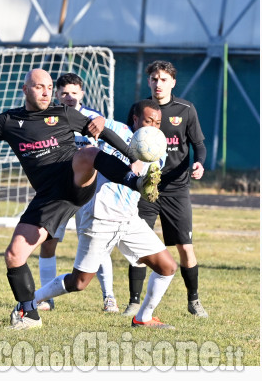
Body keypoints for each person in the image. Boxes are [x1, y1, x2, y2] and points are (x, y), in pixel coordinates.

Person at [0, 68, 161, 330]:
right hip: (49, 197)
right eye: (39, 87)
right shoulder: (9, 121)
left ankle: (136, 183)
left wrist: (133, 156)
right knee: (14, 255)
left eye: (49, 87)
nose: (46, 92)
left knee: (87, 153)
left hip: (76, 183)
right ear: (26, 90)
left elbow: (103, 133)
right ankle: (29, 314)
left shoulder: (65, 113)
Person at [34, 99, 178, 328]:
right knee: (79, 282)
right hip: (99, 218)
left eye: (158, 122)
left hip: (129, 220)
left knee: (167, 267)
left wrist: (145, 173)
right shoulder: (119, 129)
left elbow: (149, 171)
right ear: (135, 119)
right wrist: (99, 121)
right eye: (148, 120)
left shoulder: (157, 147)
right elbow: (97, 123)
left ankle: (143, 318)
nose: (153, 126)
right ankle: (30, 302)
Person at [121, 60, 208, 318]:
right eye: (154, 79)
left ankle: (194, 300)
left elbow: (199, 145)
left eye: (163, 79)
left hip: (176, 190)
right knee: (140, 246)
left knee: (185, 247)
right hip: (146, 188)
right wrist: (132, 162)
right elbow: (128, 141)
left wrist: (199, 163)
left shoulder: (186, 109)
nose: (158, 84)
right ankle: (134, 303)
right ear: (149, 82)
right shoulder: (140, 109)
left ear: (172, 82)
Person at [37, 73, 117, 314]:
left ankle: (109, 297)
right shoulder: (48, 120)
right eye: (63, 93)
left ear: (82, 94)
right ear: (56, 95)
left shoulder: (94, 119)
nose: (69, 98)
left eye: (74, 93)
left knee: (97, 243)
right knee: (49, 242)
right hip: (59, 190)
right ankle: (45, 298)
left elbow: (108, 141)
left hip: (89, 191)